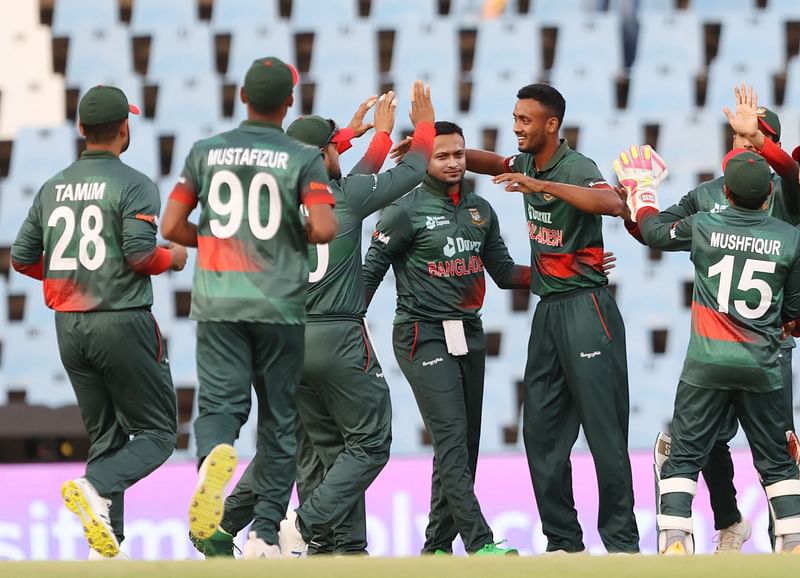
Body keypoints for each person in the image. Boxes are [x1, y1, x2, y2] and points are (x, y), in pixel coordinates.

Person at [192, 82, 436, 558]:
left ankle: (221, 524)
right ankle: (303, 524)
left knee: (304, 441)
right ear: (326, 153)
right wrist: (421, 123)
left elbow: (341, 168)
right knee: (369, 442)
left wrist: (356, 138)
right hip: (338, 336)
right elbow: (413, 168)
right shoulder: (344, 197)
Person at [160, 56, 337, 558]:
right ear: (289, 102)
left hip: (218, 300)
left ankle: (211, 463)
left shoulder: (205, 152)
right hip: (278, 301)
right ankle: (263, 534)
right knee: (280, 419)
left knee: (219, 406)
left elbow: (171, 227)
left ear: (241, 97)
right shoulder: (302, 156)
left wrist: (219, 239)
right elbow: (324, 228)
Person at [11, 85, 186, 559]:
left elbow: (22, 258)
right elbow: (138, 255)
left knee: (107, 434)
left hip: (69, 326)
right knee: (157, 435)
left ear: (82, 130)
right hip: (122, 322)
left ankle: (106, 545)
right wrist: (172, 258)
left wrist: (75, 273)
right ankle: (95, 487)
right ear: (124, 129)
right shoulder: (134, 183)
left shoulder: (52, 186)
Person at [464, 83, 639, 554]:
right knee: (539, 433)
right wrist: (447, 155)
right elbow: (492, 163)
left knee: (605, 436)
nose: (516, 126)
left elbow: (612, 203)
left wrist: (540, 186)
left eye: (525, 120)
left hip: (587, 308)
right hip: (548, 313)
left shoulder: (576, 167)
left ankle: (622, 546)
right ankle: (564, 542)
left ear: (552, 124)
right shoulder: (523, 162)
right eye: (515, 118)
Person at [624, 85, 800, 552]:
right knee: (715, 442)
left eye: (758, 139)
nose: (747, 144)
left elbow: (657, 227)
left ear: (772, 145)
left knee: (772, 448)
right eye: (742, 138)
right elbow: (654, 231)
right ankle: (733, 523)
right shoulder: (707, 194)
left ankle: (750, 540)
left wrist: (639, 198)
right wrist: (636, 207)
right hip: (749, 346)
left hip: (759, 346)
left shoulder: (788, 191)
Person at [363, 120, 528, 556]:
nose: (453, 163)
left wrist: (562, 271)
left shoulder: (480, 210)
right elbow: (369, 274)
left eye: (459, 154)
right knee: (453, 438)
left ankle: (436, 546)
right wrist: (342, 325)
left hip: (469, 332)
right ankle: (481, 544)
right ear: (425, 160)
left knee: (464, 445)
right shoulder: (403, 211)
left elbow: (506, 273)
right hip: (422, 334)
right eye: (442, 155)